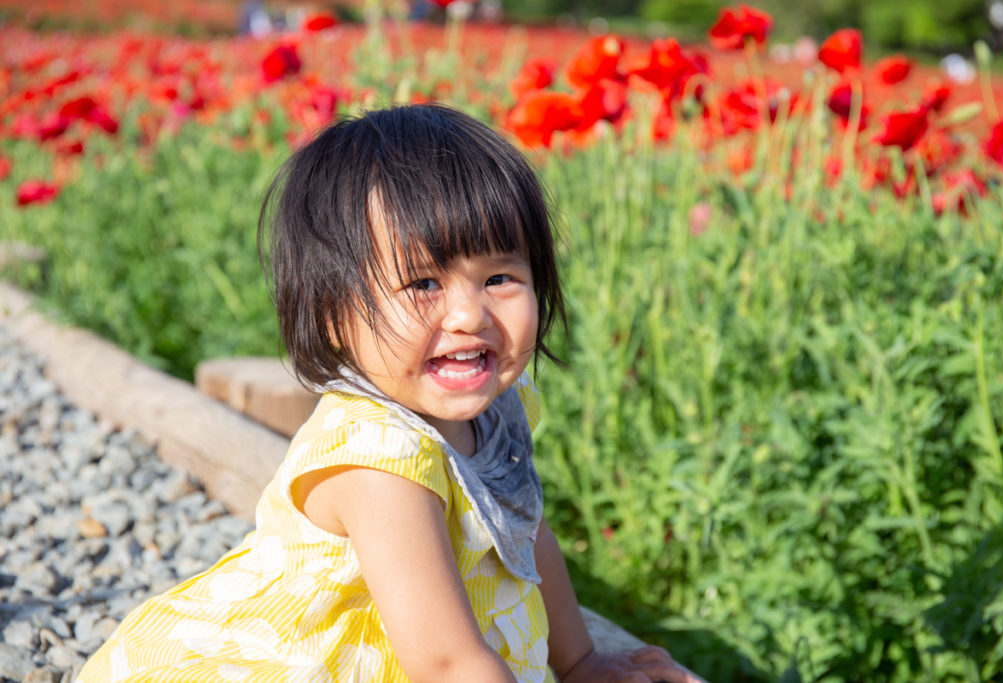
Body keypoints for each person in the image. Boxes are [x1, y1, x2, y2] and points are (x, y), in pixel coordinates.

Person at [76, 104, 702, 683]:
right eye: (424, 282)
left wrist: (580, 661)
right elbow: (445, 663)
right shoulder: (377, 462)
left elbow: (525, 530)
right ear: (331, 314)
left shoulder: (496, 411)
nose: (469, 315)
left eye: (500, 277)